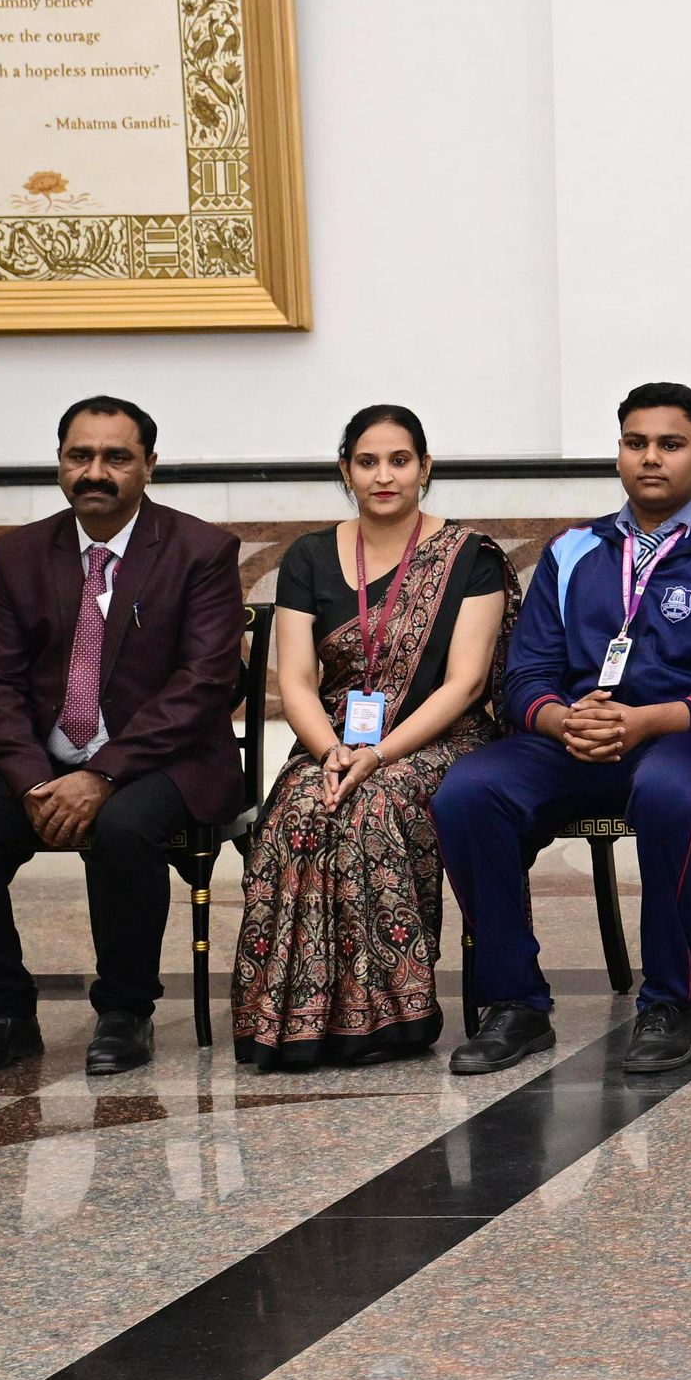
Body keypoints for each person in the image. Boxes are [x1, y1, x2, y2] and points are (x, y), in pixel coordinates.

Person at [434, 382, 691, 1077]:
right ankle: (516, 1003)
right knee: (467, 792)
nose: (651, 458)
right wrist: (564, 720)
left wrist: (648, 720)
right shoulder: (572, 550)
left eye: (671, 445)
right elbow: (525, 678)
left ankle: (667, 1002)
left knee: (670, 794)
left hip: (683, 739)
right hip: (575, 740)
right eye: (636, 443)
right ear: (618, 451)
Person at [0, 396, 245, 1078]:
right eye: (80, 455)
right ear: (60, 463)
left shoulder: (200, 551)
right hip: (45, 762)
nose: (95, 472)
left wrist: (103, 773)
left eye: (116, 457)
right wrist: (31, 781)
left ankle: (125, 1011)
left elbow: (205, 684)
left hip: (168, 759)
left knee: (122, 827)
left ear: (149, 465)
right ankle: (5, 1015)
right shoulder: (19, 554)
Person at [230, 405, 516, 1068]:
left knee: (374, 802)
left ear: (425, 468)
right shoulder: (308, 556)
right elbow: (296, 680)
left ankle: (390, 1015)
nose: (383, 476)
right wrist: (330, 751)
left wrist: (381, 753)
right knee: (304, 804)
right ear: (346, 470)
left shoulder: (470, 557)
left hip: (443, 740)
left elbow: (466, 684)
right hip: (332, 742)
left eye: (399, 461)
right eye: (367, 462)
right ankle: (296, 1017)